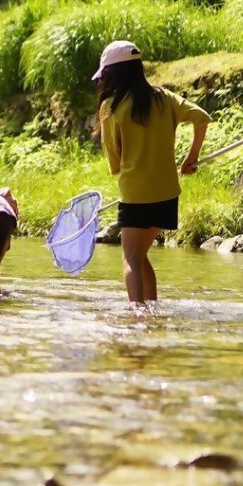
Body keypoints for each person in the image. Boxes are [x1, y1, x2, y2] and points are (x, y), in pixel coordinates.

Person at [94, 40, 210, 305]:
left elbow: (114, 159)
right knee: (141, 255)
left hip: (135, 194)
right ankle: (152, 311)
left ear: (113, 74)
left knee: (130, 257)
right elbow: (201, 118)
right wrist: (191, 158)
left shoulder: (110, 107)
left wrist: (123, 168)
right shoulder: (164, 97)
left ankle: (137, 314)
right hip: (167, 195)